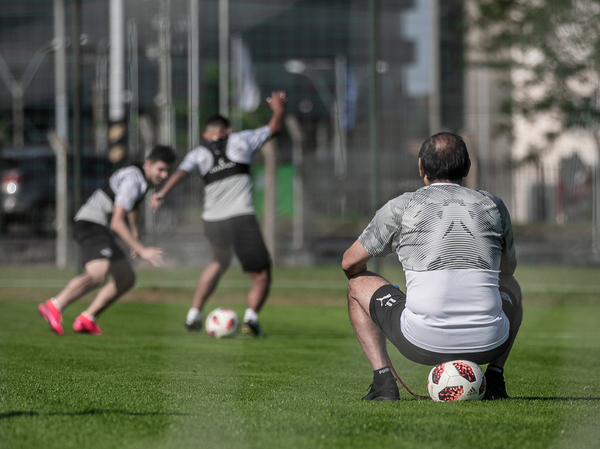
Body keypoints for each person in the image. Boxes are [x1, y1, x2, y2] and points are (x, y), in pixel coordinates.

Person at [342, 132, 522, 401]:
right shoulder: (493, 205)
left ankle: (383, 384)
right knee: (511, 286)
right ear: (468, 167)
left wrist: (393, 295)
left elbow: (349, 263)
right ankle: (495, 378)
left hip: (420, 344)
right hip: (490, 343)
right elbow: (508, 270)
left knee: (357, 284)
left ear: (420, 167)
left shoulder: (401, 207)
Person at [149, 91, 287, 337]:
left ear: (205, 134)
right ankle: (251, 320)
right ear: (228, 130)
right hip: (241, 218)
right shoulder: (241, 140)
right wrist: (278, 109)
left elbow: (181, 172)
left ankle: (194, 315)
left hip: (212, 221)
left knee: (218, 262)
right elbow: (273, 129)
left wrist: (162, 192)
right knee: (261, 273)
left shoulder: (198, 154)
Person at [38, 145, 177, 336]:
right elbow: (117, 222)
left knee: (126, 277)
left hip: (100, 228)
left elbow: (132, 205)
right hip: (91, 224)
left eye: (168, 171)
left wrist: (135, 235)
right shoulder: (133, 180)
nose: (164, 175)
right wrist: (141, 249)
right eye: (160, 169)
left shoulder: (143, 178)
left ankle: (87, 319)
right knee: (98, 274)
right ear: (148, 164)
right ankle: (53, 305)